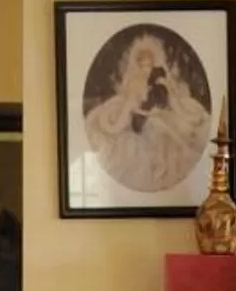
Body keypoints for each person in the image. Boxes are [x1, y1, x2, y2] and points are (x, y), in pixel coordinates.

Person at [82, 28, 212, 195]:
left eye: (148, 64)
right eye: (142, 64)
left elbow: (173, 102)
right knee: (151, 132)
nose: (146, 68)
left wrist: (165, 90)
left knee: (170, 134)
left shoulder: (160, 79)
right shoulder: (134, 81)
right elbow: (131, 105)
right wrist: (143, 113)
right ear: (137, 64)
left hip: (159, 114)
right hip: (140, 116)